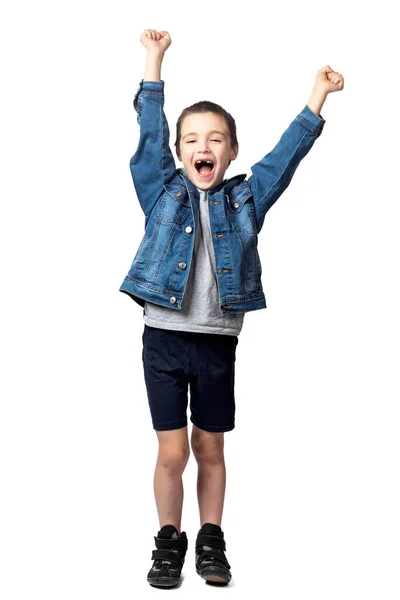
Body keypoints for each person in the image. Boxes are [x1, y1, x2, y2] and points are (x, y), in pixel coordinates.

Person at [119, 29, 344, 588]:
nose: (205, 148)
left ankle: (211, 539)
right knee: (172, 452)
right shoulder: (160, 191)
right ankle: (169, 540)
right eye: (193, 139)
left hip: (218, 340)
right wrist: (154, 62)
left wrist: (316, 96)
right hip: (164, 338)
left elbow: (284, 159)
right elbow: (149, 138)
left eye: (217, 139)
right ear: (181, 153)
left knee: (210, 446)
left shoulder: (245, 199)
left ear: (232, 151)